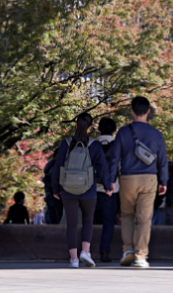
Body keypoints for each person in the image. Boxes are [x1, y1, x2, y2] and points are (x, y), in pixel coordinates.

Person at [109, 96, 169, 268]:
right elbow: (163, 161)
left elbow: (115, 159)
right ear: (148, 112)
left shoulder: (123, 132)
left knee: (127, 215)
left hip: (127, 177)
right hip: (150, 178)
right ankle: (140, 256)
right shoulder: (156, 134)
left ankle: (127, 250)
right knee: (144, 219)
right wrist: (163, 181)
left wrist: (111, 180)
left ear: (132, 111)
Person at [51, 112, 112, 268]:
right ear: (90, 127)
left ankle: (73, 260)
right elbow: (103, 168)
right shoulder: (94, 145)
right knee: (87, 221)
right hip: (88, 189)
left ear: (76, 125)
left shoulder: (66, 143)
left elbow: (57, 166)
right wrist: (107, 186)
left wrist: (55, 188)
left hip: (68, 189)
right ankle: (85, 251)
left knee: (72, 224)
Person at [94, 117, 120, 262]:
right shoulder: (117, 145)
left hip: (91, 188)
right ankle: (104, 252)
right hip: (111, 189)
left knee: (87, 221)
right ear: (114, 129)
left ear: (99, 129)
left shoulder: (92, 145)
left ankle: (86, 251)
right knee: (108, 222)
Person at [43, 154, 63, 224]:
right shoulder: (56, 167)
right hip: (57, 196)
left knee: (53, 220)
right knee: (59, 219)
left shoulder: (48, 167)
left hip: (49, 196)